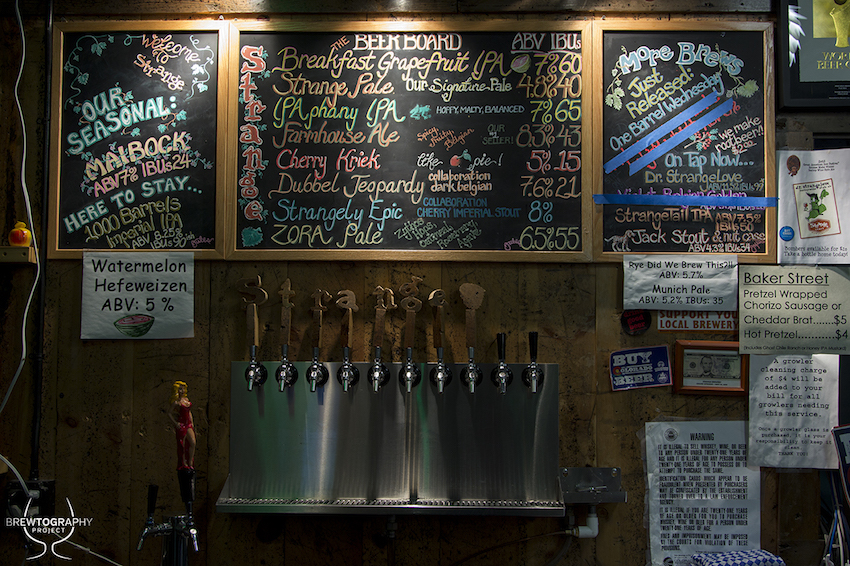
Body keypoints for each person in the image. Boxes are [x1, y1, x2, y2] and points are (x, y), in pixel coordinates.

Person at [169, 381, 195, 470]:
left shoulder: (186, 400)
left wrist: (192, 422)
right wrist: (175, 423)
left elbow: (189, 412)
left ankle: (190, 462)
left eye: (183, 388)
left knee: (192, 442)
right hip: (182, 424)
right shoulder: (177, 402)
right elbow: (169, 413)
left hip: (188, 424)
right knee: (182, 445)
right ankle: (184, 463)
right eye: (180, 389)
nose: (182, 390)